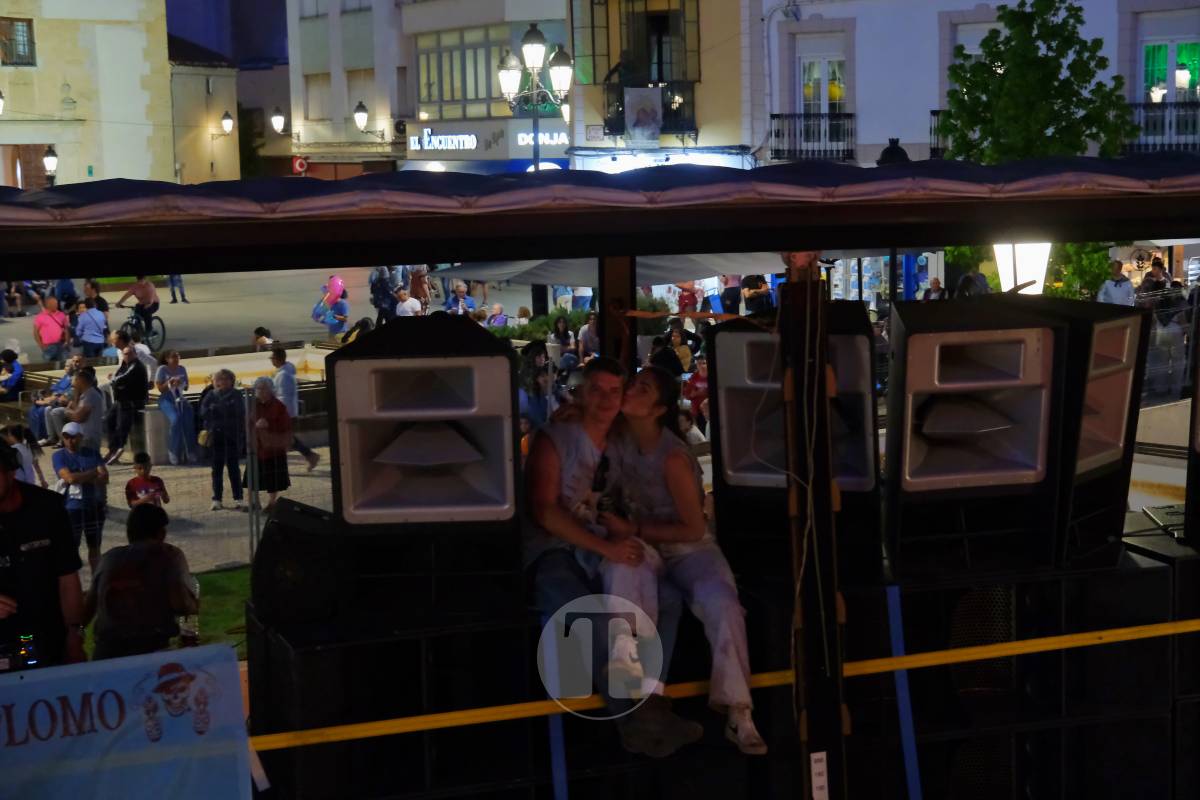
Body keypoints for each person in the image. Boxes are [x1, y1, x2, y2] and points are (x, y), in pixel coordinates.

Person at [524, 358, 700, 757]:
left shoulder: (619, 437)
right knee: (588, 614)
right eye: (597, 390)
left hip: (598, 544)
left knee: (668, 598)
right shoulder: (554, 438)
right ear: (582, 394)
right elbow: (545, 512)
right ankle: (635, 720)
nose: (606, 399)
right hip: (552, 550)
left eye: (614, 392)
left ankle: (651, 699)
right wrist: (607, 547)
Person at [607, 367, 765, 754]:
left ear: (658, 408)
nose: (630, 390)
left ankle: (739, 711)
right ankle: (637, 690)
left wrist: (635, 529)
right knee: (629, 569)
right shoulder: (615, 440)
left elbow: (693, 529)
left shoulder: (673, 458)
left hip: (688, 548)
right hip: (645, 541)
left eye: (641, 387)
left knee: (723, 605)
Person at [0, 440, 87, 668]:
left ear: (10, 469)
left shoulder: (48, 508)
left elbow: (68, 577)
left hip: (49, 636)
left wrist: (75, 634)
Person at [84, 503, 198, 660]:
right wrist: (194, 601)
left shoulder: (109, 558)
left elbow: (87, 609)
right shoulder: (169, 555)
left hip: (106, 653)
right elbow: (182, 604)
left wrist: (76, 634)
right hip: (150, 652)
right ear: (161, 532)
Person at [52, 421, 109, 575]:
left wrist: (80, 476)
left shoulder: (92, 453)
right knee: (72, 548)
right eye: (66, 437)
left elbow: (104, 478)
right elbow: (69, 478)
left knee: (95, 547)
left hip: (93, 506)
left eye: (73, 437)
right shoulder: (59, 456)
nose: (70, 440)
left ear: (81, 437)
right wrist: (92, 473)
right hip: (72, 508)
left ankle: (96, 581)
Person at [201, 369, 247, 511]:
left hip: (232, 437)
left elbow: (239, 413)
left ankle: (238, 498)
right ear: (215, 382)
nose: (222, 382)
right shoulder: (210, 395)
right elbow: (203, 412)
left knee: (234, 469)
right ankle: (217, 499)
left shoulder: (236, 395)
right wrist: (214, 409)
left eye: (226, 379)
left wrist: (219, 408)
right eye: (219, 380)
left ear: (231, 381)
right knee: (217, 470)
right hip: (216, 438)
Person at [270, 347, 320, 471]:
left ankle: (309, 456)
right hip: (288, 412)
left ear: (277, 359)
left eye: (272, 358)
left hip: (286, 413)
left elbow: (284, 396)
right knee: (287, 439)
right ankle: (310, 455)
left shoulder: (283, 375)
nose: (271, 361)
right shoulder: (286, 371)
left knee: (282, 439)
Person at [250, 377, 292, 512]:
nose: (261, 391)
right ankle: (254, 502)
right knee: (253, 477)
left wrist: (269, 424)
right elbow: (245, 423)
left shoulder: (279, 405)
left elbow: (285, 425)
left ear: (271, 390)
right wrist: (254, 426)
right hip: (256, 447)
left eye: (264, 388)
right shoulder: (252, 405)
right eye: (259, 388)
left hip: (273, 449)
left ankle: (272, 503)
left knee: (273, 480)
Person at [104, 344, 149, 466]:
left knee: (122, 425)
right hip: (122, 400)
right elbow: (118, 379)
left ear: (134, 354)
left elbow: (119, 379)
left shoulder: (136, 366)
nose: (127, 356)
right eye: (125, 354)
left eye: (129, 353)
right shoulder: (124, 365)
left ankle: (119, 447)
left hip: (133, 403)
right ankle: (112, 448)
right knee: (108, 420)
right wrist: (116, 381)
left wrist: (114, 380)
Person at [154, 350, 198, 465]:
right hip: (167, 399)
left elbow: (187, 386)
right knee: (176, 419)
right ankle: (173, 450)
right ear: (167, 359)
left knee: (188, 418)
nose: (176, 359)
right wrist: (169, 383)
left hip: (180, 397)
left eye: (177, 357)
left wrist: (181, 382)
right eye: (173, 357)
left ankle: (190, 450)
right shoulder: (162, 369)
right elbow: (160, 388)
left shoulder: (182, 368)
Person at [28, 356, 78, 441]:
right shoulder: (65, 377)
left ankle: (43, 436)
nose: (65, 368)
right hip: (52, 399)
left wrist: (46, 400)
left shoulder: (74, 379)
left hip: (59, 402)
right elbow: (54, 388)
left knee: (41, 411)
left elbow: (63, 395)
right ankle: (34, 436)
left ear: (73, 367)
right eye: (65, 365)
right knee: (32, 409)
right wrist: (44, 398)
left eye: (68, 366)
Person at [518, 364, 559, 429]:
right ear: (537, 379)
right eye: (542, 376)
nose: (546, 378)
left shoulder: (558, 393)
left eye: (548, 375)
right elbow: (537, 418)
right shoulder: (534, 398)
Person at [33, 295, 70, 363]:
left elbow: (67, 329)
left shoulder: (61, 315)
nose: (56, 305)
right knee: (48, 366)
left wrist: (67, 342)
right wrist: (41, 346)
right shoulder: (40, 317)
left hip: (61, 345)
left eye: (56, 303)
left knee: (64, 365)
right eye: (53, 304)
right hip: (48, 347)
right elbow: (35, 333)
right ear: (47, 304)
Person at [682, 355, 709, 431]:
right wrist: (695, 394)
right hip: (697, 411)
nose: (702, 366)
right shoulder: (693, 378)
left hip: (709, 409)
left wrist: (699, 393)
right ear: (696, 365)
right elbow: (687, 395)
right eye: (699, 364)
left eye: (704, 363)